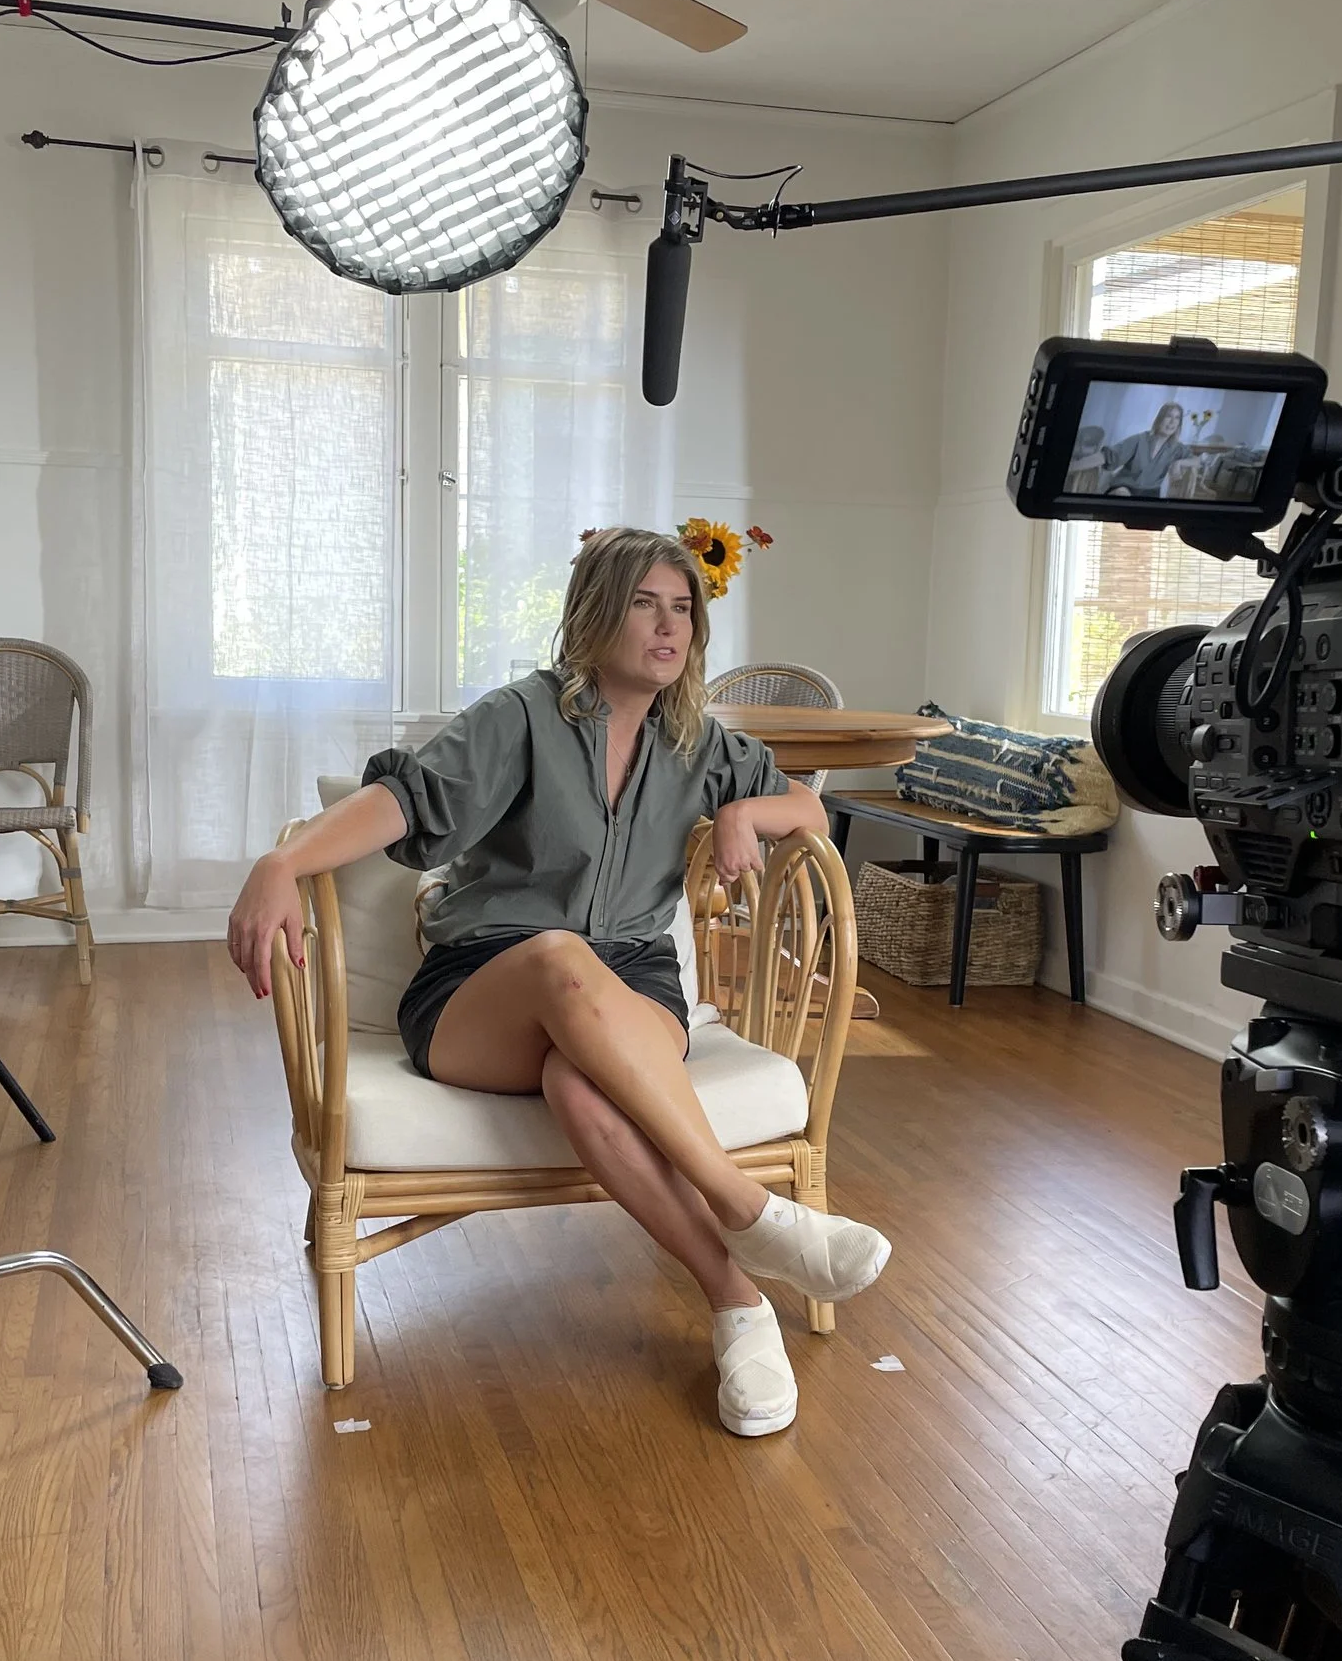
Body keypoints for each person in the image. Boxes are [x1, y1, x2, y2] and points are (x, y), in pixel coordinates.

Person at [226, 528, 892, 1437]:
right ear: (596, 612)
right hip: (483, 986)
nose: (669, 626)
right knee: (555, 956)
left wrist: (745, 810)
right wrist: (283, 858)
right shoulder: (524, 715)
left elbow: (807, 805)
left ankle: (738, 1301)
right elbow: (404, 802)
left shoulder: (700, 743)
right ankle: (749, 1209)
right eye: (644, 603)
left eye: (683, 607)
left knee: (581, 1085)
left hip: (635, 984)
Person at [1103, 399, 1193, 498]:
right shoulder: (1140, 439)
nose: (1172, 422)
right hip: (1124, 488)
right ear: (1159, 419)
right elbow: (1108, 456)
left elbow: (1197, 461)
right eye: (1168, 416)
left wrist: (1179, 463)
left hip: (1150, 492)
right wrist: (1083, 462)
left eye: (1177, 418)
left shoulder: (1177, 448)